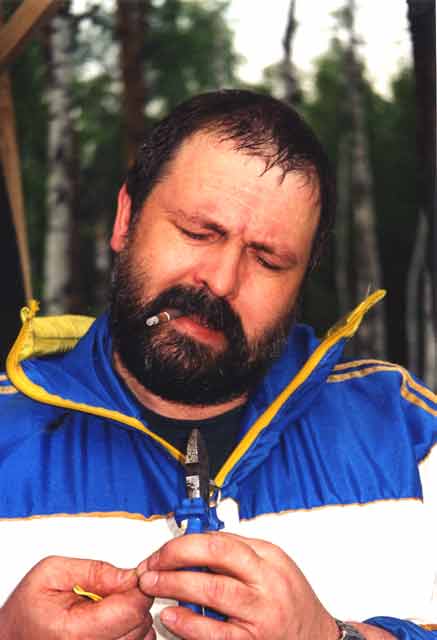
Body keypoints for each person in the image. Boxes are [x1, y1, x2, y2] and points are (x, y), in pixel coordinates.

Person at [0, 89, 436, 640]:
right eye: (198, 232)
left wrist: (335, 637)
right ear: (126, 219)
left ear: (302, 282)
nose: (222, 280)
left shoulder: (408, 432)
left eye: (268, 260)